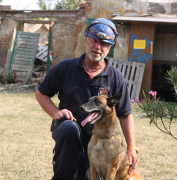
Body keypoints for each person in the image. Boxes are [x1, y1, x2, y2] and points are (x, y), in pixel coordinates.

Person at [35, 18, 138, 180]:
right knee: (69, 129)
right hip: (68, 133)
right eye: (94, 40)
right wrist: (55, 112)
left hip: (99, 142)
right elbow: (41, 93)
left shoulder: (116, 78)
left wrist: (131, 147)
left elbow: (125, 114)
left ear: (109, 48)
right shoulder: (65, 68)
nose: (98, 47)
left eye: (103, 44)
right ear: (86, 41)